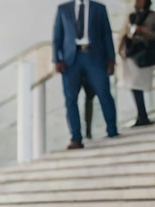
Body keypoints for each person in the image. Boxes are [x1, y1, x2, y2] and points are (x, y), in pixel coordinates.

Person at [53, 0, 119, 149]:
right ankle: (76, 138)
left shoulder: (99, 8)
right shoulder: (63, 9)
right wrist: (57, 59)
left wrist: (111, 59)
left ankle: (112, 130)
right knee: (71, 99)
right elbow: (57, 37)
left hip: (94, 56)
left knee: (104, 93)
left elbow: (106, 34)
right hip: (71, 60)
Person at [118, 0, 155, 127]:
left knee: (139, 84)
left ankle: (143, 115)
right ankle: (141, 114)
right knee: (133, 84)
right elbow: (126, 32)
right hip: (132, 53)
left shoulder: (154, 16)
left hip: (145, 54)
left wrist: (145, 32)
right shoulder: (132, 16)